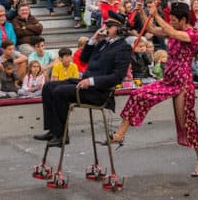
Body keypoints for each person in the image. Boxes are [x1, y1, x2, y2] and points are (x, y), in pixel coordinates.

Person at [104, 2, 198, 177]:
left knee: (186, 122)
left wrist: (157, 15)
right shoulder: (173, 30)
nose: (172, 22)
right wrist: (143, 13)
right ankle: (120, 134)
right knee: (138, 94)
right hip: (168, 80)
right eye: (171, 20)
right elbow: (152, 29)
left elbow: (173, 32)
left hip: (182, 83)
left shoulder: (191, 34)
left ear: (183, 20)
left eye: (174, 20)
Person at [35, 11, 132, 147]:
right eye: (105, 24)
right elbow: (83, 58)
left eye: (109, 25)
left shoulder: (124, 48)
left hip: (98, 91)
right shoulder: (103, 42)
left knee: (59, 92)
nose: (105, 28)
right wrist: (93, 40)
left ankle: (62, 135)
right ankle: (53, 130)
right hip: (86, 83)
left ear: (119, 29)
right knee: (48, 87)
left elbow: (117, 77)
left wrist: (91, 82)